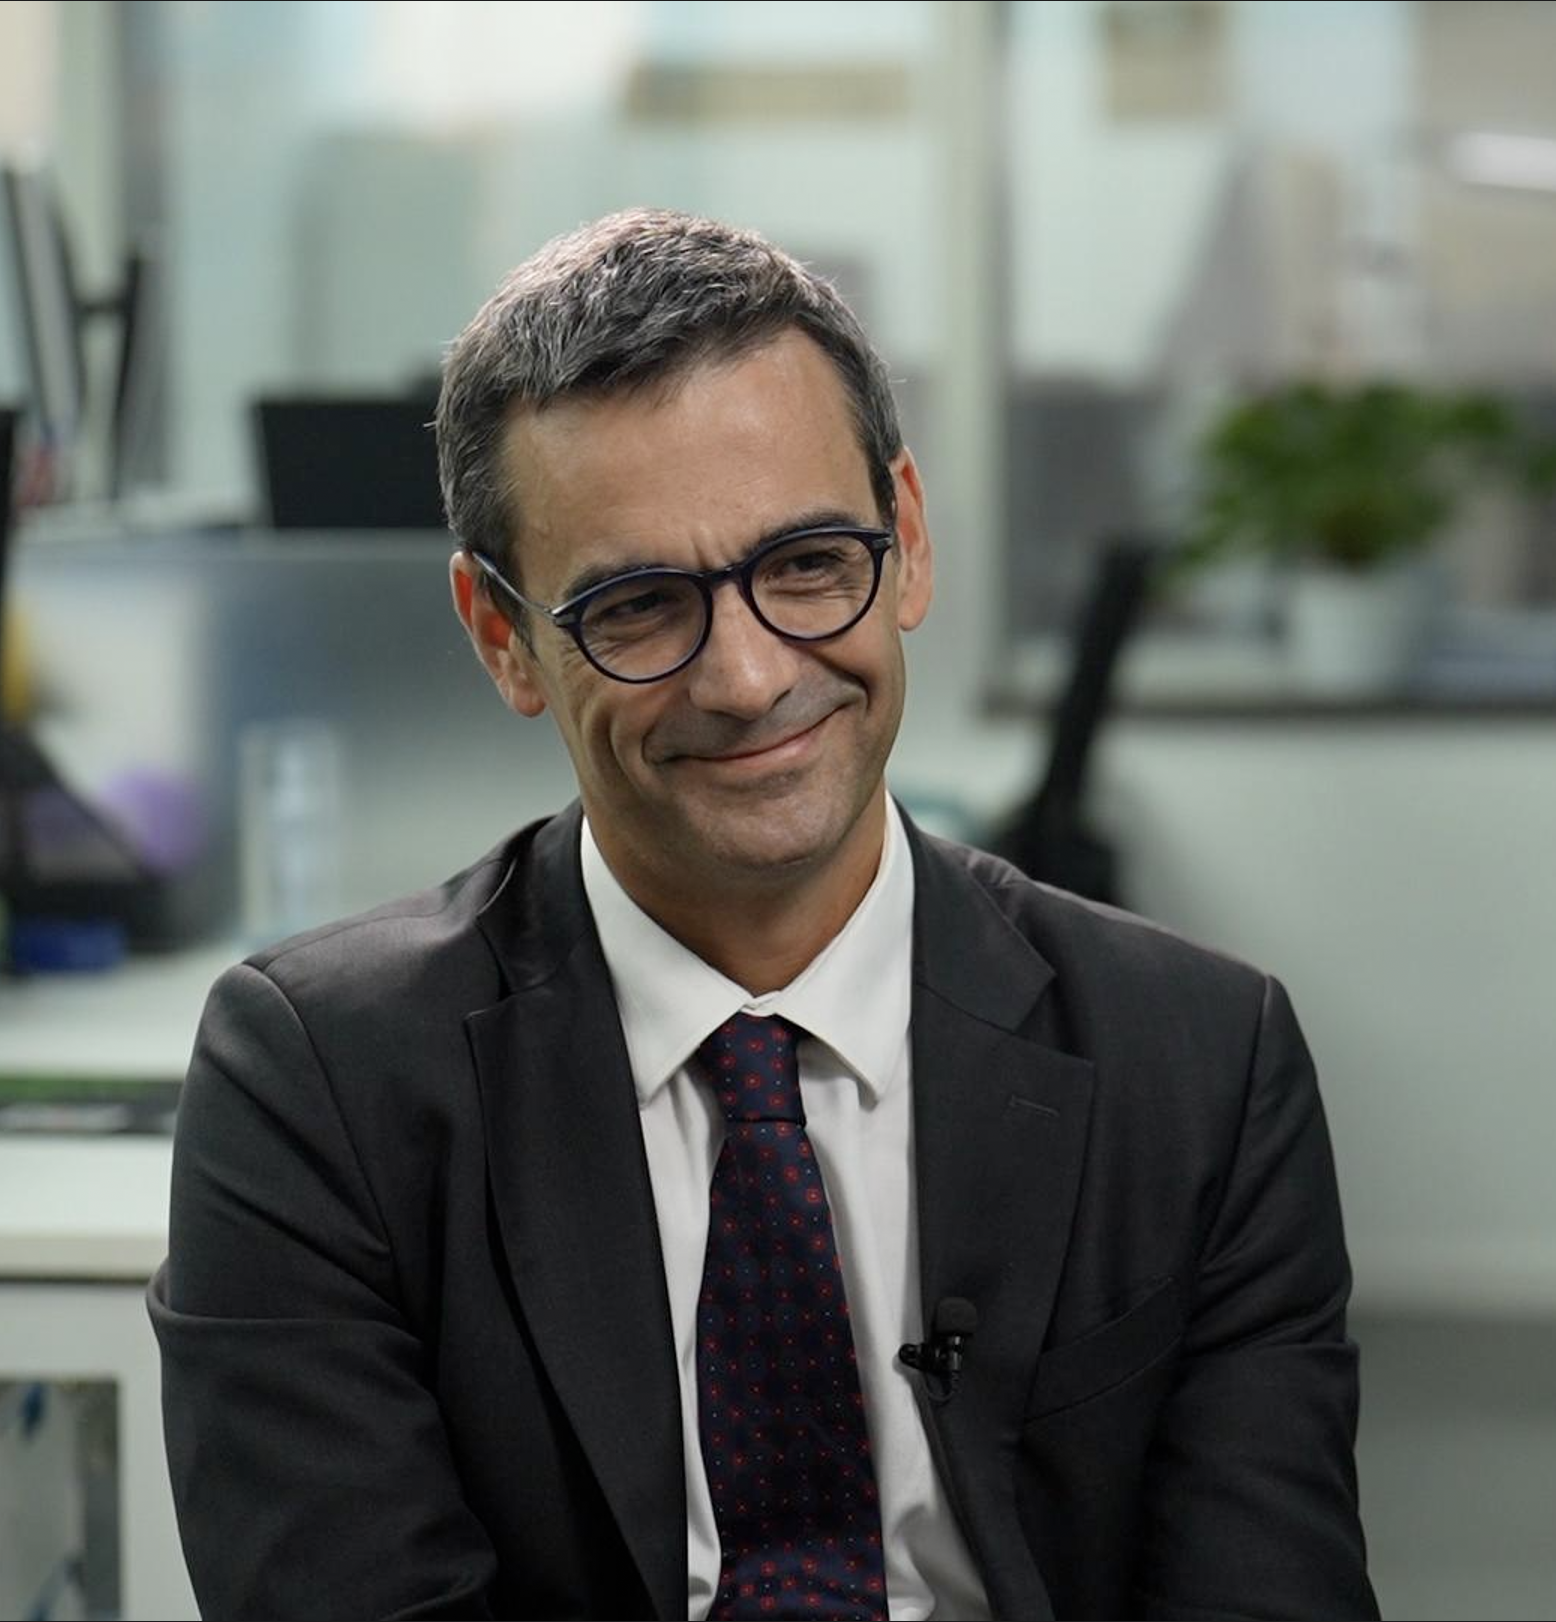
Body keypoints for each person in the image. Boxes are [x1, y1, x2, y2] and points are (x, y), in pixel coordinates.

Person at [148, 208, 1377, 1621]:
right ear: (505, 640)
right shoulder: (319, 1087)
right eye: (639, 605)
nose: (746, 678)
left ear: (907, 541)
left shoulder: (1202, 1065)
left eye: (806, 565)